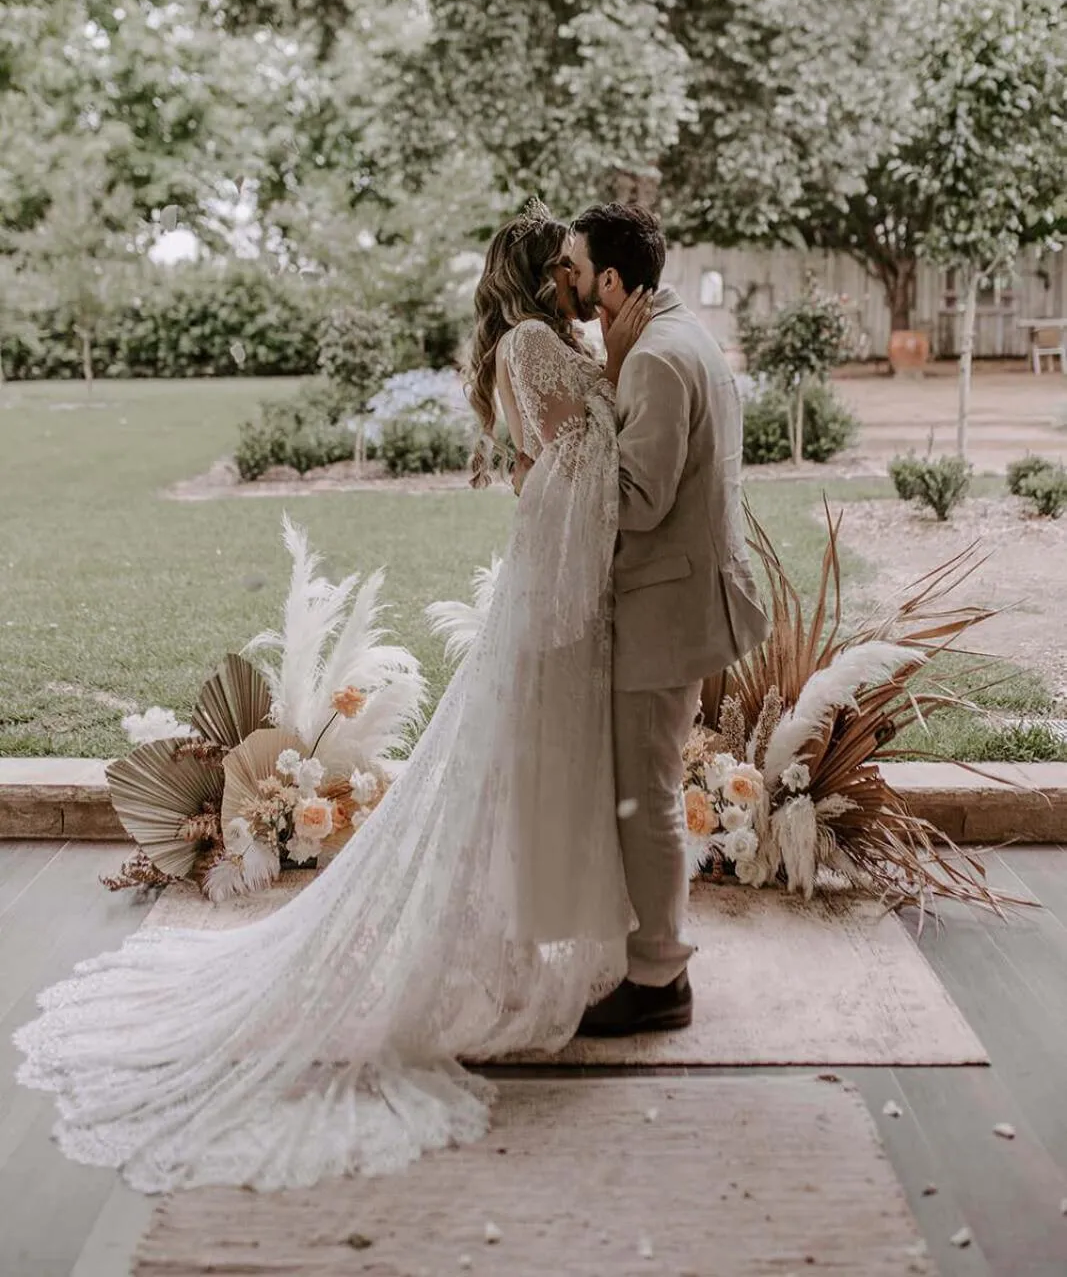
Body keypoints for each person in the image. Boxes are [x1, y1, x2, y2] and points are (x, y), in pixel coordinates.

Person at [12, 201, 652, 1195]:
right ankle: (505, 943)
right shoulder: (532, 340)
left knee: (526, 758)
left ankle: (533, 929)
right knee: (512, 757)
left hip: (562, 575)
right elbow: (571, 457)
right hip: (555, 581)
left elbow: (547, 459)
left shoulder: (539, 340)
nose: (578, 273)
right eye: (565, 262)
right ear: (539, 273)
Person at [567, 202, 770, 1037]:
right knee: (643, 790)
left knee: (643, 797)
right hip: (684, 594)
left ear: (611, 282)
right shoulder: (685, 334)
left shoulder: (650, 357)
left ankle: (657, 979)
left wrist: (563, 462)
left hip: (663, 605)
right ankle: (647, 956)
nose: (567, 284)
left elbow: (639, 502)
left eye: (574, 270)